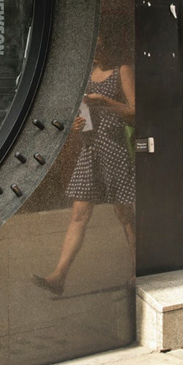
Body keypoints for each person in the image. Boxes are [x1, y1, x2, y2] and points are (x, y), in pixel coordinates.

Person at [33, 37, 135, 295]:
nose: (96, 49)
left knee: (124, 215)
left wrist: (107, 102)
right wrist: (74, 125)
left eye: (100, 45)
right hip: (89, 149)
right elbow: (74, 113)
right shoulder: (85, 75)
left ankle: (138, 271)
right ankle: (58, 276)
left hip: (114, 148)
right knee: (79, 214)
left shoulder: (121, 70)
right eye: (93, 45)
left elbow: (135, 111)